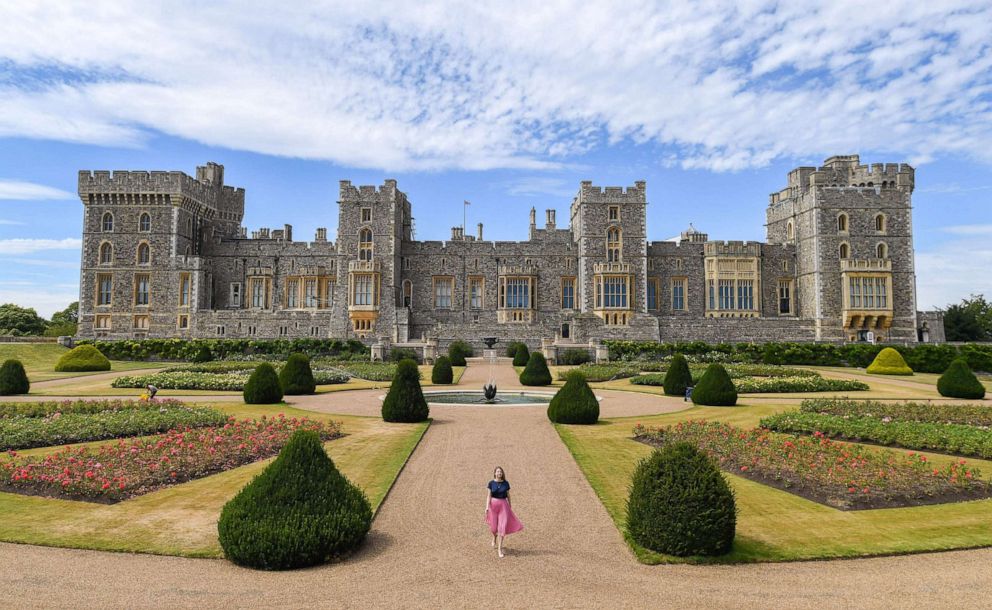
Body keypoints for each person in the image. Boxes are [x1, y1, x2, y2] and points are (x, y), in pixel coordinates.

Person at [484, 466, 523, 558]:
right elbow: (488, 496)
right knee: (493, 528)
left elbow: (508, 495)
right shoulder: (491, 483)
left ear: (502, 473)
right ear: (495, 473)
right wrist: (486, 507)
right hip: (493, 506)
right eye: (497, 472)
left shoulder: (506, 483)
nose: (499, 473)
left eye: (500, 472)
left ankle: (499, 549)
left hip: (503, 507)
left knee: (502, 527)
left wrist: (510, 505)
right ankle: (494, 537)